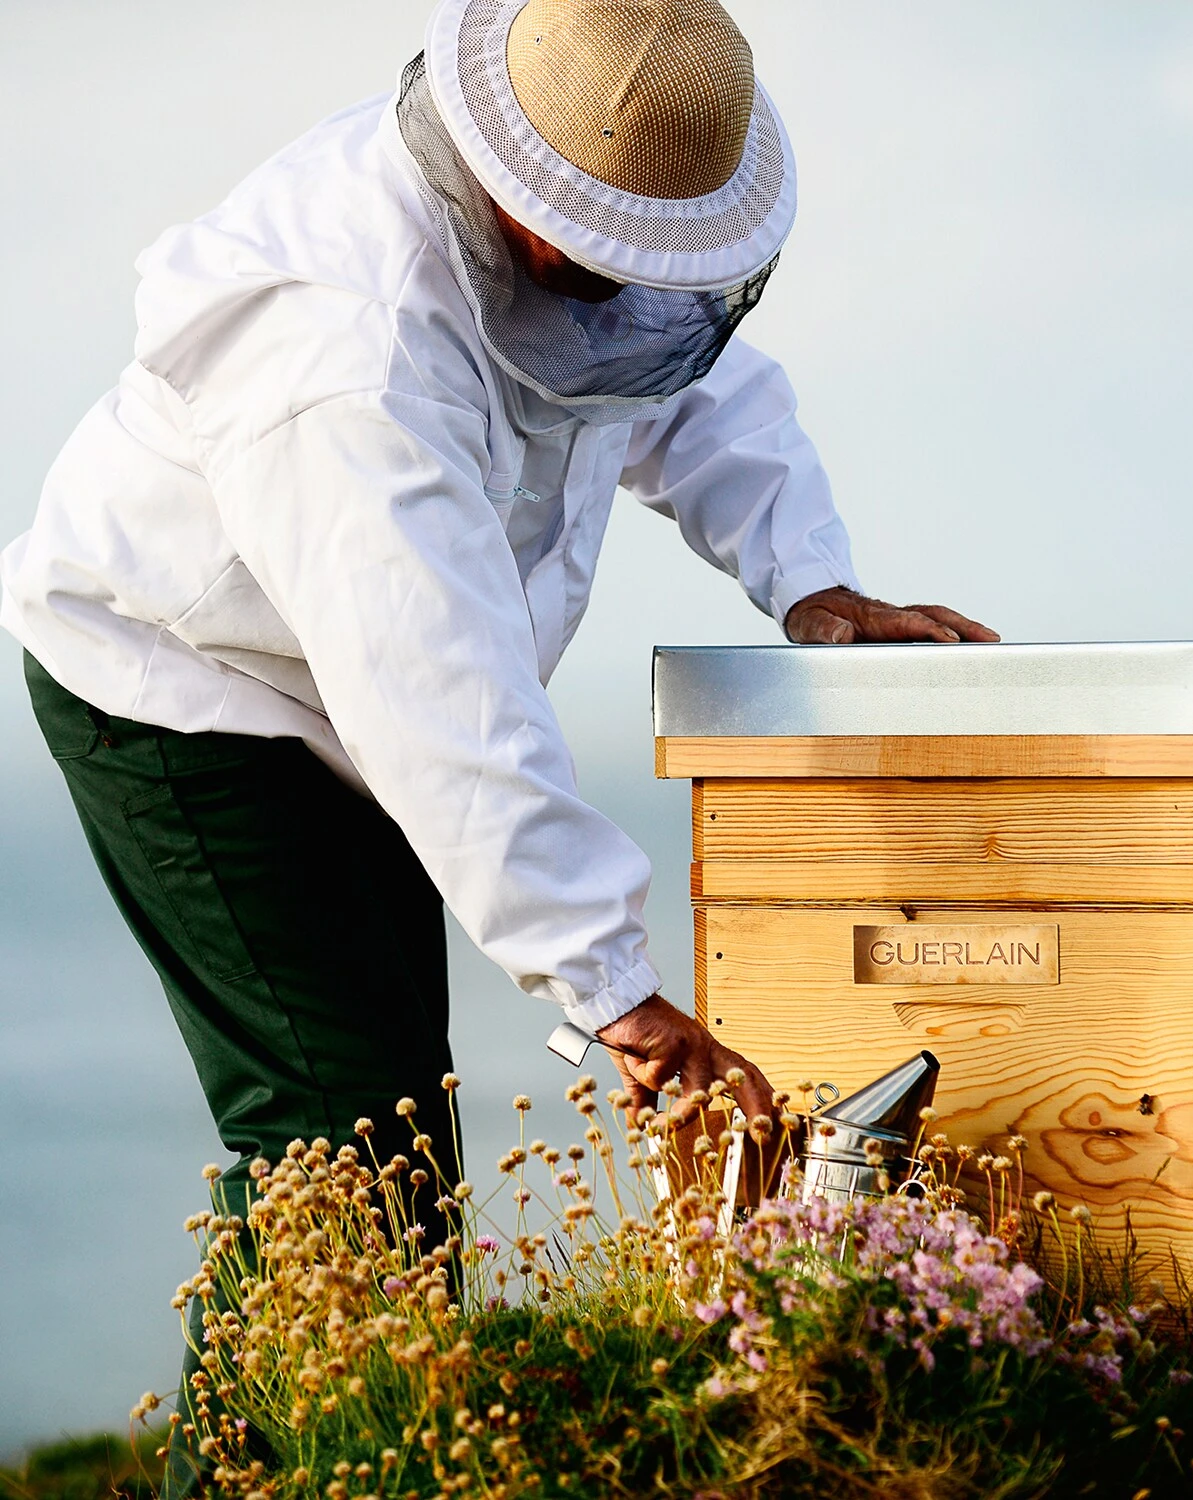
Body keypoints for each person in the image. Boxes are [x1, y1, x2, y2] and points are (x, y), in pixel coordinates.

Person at [1, 0, 996, 1480]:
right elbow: (440, 687)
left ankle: (311, 1460)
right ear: (512, 184)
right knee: (341, 1145)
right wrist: (621, 993)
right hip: (184, 679)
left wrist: (815, 580)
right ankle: (280, 1470)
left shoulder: (618, 236)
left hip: (352, 691)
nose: (616, 280)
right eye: (595, 243)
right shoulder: (350, 344)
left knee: (384, 1124)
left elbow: (692, 382)